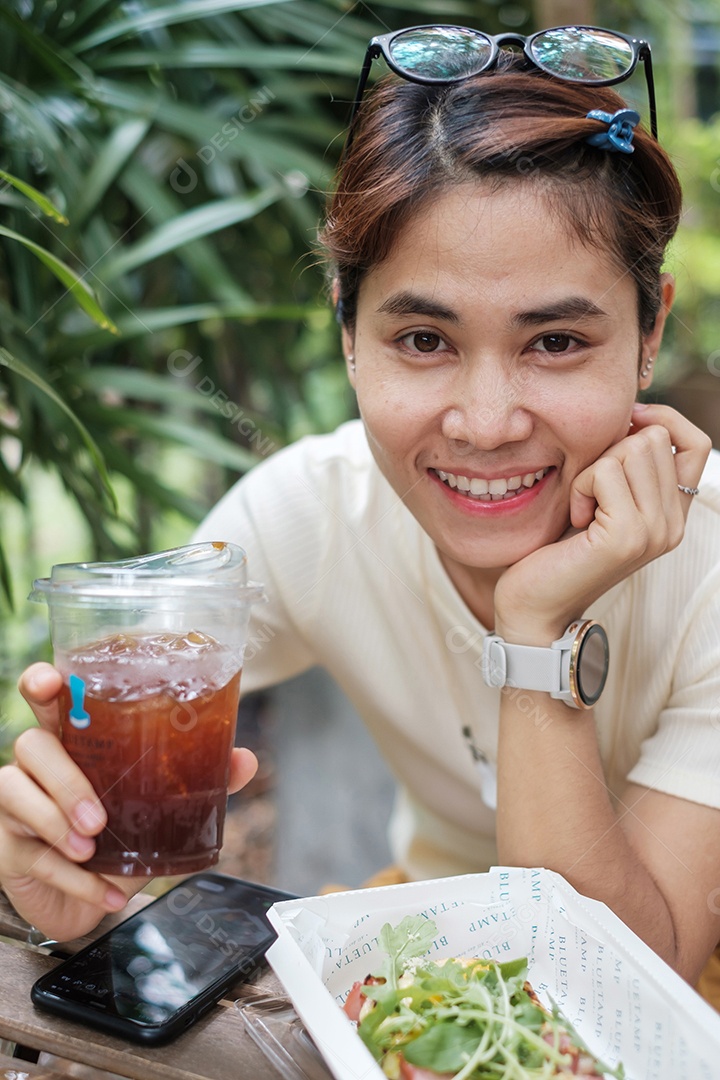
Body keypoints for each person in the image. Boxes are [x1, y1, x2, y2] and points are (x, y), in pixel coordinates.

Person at [1, 25, 719, 992]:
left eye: (555, 342)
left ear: (648, 334)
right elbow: (115, 702)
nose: (486, 422)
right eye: (424, 339)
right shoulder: (310, 513)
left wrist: (537, 629)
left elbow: (617, 986)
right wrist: (67, 864)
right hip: (419, 964)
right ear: (347, 330)